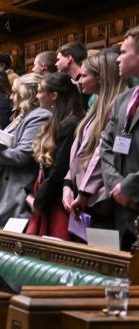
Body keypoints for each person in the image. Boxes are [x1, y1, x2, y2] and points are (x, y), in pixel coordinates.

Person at [65, 52, 125, 230]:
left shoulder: (117, 106)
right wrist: (68, 184)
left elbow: (102, 154)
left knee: (103, 253)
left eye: (84, 76)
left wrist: (84, 192)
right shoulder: (96, 104)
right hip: (84, 197)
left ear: (100, 77)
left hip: (101, 200)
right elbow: (81, 151)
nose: (79, 80)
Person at [25, 72, 85, 240]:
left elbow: (61, 168)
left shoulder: (71, 123)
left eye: (40, 91)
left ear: (54, 95)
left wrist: (39, 201)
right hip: (47, 193)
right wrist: (32, 191)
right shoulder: (58, 120)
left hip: (58, 199)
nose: (37, 96)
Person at [0, 73, 50, 228]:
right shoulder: (21, 116)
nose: (11, 97)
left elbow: (23, 155)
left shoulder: (39, 116)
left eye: (15, 93)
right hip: (9, 187)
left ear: (26, 95)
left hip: (19, 191)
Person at [100, 26, 139, 250]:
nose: (117, 59)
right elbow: (106, 145)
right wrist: (116, 185)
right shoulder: (123, 98)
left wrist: (130, 187)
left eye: (124, 52)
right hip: (121, 206)